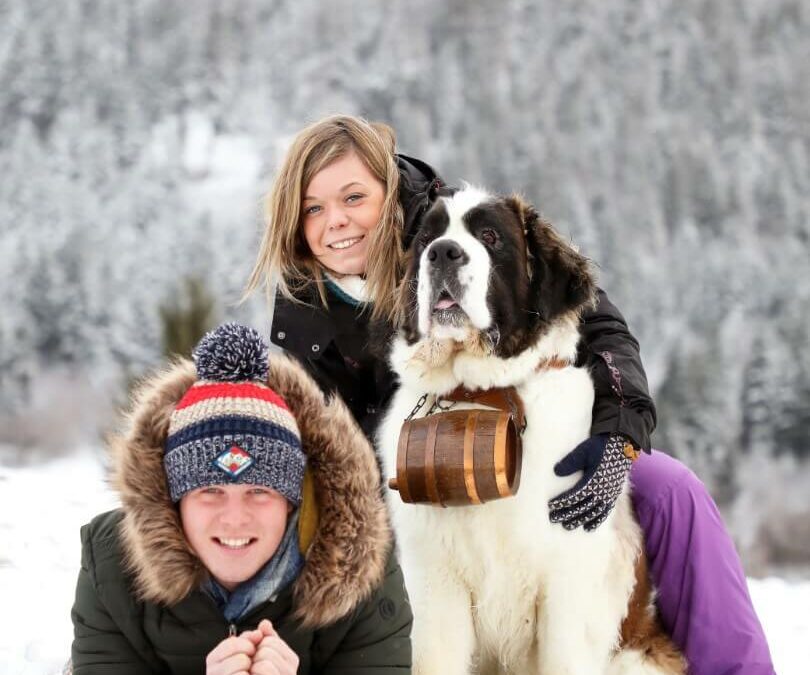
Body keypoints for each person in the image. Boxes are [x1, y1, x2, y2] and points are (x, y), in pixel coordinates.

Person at [244, 115, 775, 674]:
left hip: (537, 438)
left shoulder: (463, 229)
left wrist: (617, 434)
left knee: (670, 490)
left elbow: (599, 325)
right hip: (408, 491)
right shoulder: (305, 316)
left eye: (354, 197)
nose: (337, 222)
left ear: (390, 192)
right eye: (313, 208)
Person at [70, 323, 412, 674]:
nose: (234, 518)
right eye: (210, 491)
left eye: (259, 492)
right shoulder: (112, 564)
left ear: (292, 500)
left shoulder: (362, 567)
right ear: (174, 499)